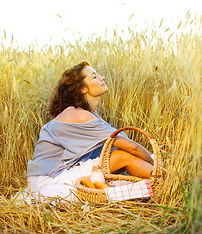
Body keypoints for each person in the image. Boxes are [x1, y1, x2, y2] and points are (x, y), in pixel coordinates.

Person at [18, 61, 154, 202]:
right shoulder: (78, 115)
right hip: (50, 184)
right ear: (83, 89)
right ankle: (164, 181)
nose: (102, 78)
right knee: (122, 157)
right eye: (94, 77)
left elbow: (118, 146)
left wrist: (153, 158)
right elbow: (131, 147)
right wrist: (157, 164)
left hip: (54, 177)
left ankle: (155, 184)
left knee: (118, 156)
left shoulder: (84, 114)